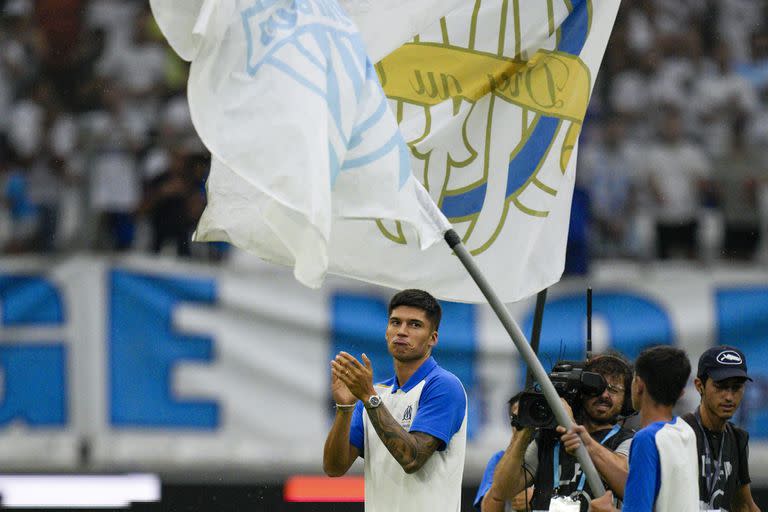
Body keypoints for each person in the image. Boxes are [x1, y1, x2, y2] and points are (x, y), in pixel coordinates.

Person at [322, 289, 467, 512]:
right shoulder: (374, 394)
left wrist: (368, 398)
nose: (402, 331)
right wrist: (345, 408)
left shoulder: (444, 385)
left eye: (415, 325)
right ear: (386, 332)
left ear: (433, 338)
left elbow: (412, 459)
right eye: (395, 322)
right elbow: (333, 468)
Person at [485, 354, 635, 512]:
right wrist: (522, 432)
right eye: (597, 388)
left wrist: (572, 428)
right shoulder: (547, 438)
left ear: (626, 400)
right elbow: (503, 491)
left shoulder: (627, 440)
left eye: (613, 390)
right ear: (582, 392)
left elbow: (626, 482)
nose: (604, 395)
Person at [590, 345, 698, 512]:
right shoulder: (686, 431)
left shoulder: (647, 440)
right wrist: (585, 442)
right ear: (681, 393)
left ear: (639, 385)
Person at [683, 346, 761, 512]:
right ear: (699, 385)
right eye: (720, 386)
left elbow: (744, 505)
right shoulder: (679, 433)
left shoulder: (738, 438)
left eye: (736, 387)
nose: (729, 396)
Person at [474, 392, 534, 512]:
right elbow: (488, 506)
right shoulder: (499, 460)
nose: (526, 423)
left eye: (531, 415)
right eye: (518, 418)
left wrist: (537, 498)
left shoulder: (557, 453)